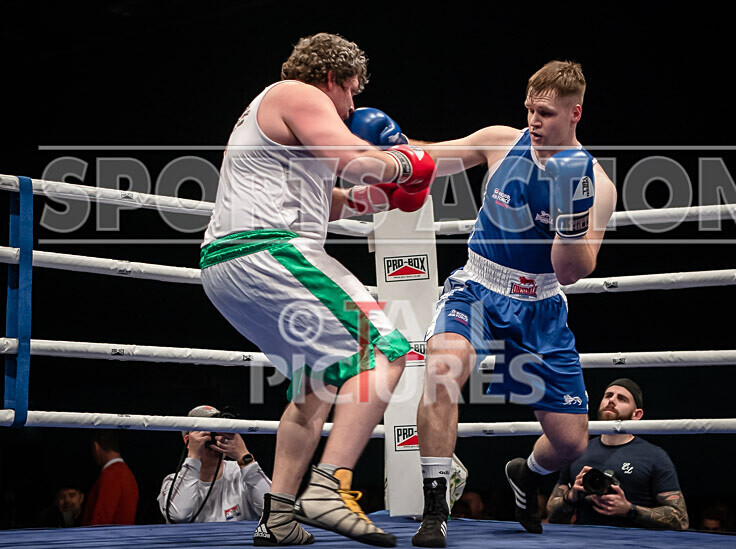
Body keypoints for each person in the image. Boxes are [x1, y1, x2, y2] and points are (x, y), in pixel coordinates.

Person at [199, 32, 436, 547]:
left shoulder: (273, 117)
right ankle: (330, 487)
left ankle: (278, 516)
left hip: (227, 266)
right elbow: (352, 155)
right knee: (388, 349)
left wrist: (366, 198)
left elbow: (324, 194)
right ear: (331, 79)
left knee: (317, 383)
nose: (353, 106)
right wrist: (405, 162)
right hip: (267, 250)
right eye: (351, 91)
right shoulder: (298, 94)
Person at [368, 60, 617, 547]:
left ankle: (526, 473)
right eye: (529, 109)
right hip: (479, 286)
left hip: (541, 303)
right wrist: (386, 149)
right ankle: (435, 506)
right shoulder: (504, 141)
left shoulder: (599, 186)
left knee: (570, 442)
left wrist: (569, 214)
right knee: (443, 366)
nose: (534, 121)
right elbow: (434, 157)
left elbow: (571, 270)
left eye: (545, 113)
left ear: (575, 114)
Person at [546, 379, 689, 531]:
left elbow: (681, 520)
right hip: (584, 541)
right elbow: (553, 516)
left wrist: (630, 510)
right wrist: (571, 497)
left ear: (637, 414)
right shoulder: (577, 450)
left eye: (622, 398)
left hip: (635, 543)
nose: (612, 400)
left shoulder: (655, 456)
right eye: (608, 396)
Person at [157, 405, 271, 523]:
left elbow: (274, 510)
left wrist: (244, 456)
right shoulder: (172, 482)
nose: (218, 438)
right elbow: (178, 516)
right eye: (209, 431)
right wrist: (193, 456)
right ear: (188, 440)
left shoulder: (242, 473)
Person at [82, 429, 139, 525]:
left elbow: (100, 521)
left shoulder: (112, 475)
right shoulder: (127, 474)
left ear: (96, 447)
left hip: (103, 538)